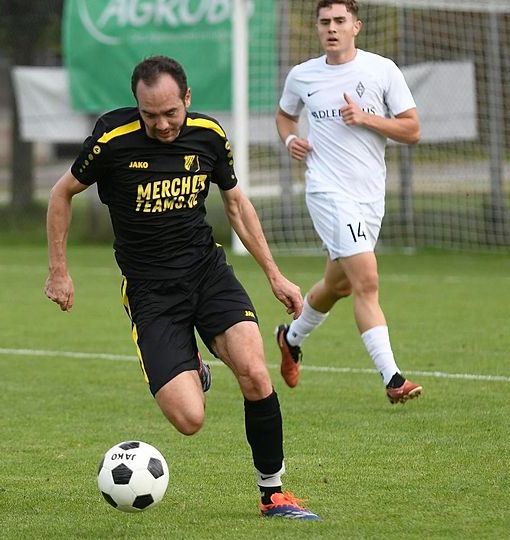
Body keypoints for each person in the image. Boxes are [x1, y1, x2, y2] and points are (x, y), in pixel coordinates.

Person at [45, 55, 320, 520]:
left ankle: (273, 494)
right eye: (150, 114)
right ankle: (193, 363)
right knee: (190, 420)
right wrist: (58, 271)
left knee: (255, 372)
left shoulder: (209, 135)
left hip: (207, 274)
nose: (163, 124)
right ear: (137, 105)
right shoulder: (112, 139)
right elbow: (61, 193)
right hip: (153, 293)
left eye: (171, 113)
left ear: (187, 99)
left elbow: (236, 204)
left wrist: (275, 274)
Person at [274, 0, 423, 404]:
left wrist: (366, 118)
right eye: (325, 22)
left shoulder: (382, 70)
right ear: (317, 28)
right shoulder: (302, 75)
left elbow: (412, 130)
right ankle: (393, 378)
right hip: (326, 192)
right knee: (366, 282)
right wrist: (291, 139)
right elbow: (285, 116)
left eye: (340, 21)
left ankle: (291, 337)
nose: (332, 28)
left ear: (356, 26)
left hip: (369, 196)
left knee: (337, 285)